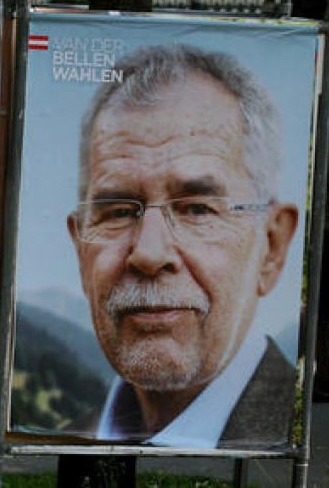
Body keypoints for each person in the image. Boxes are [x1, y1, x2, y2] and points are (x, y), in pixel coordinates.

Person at [65, 43, 298, 449]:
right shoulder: (72, 435)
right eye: (119, 211)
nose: (149, 253)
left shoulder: (286, 437)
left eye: (196, 209)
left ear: (272, 246)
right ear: (80, 249)